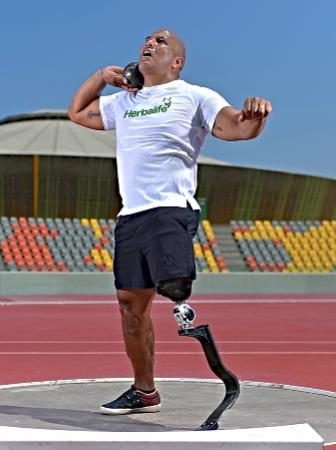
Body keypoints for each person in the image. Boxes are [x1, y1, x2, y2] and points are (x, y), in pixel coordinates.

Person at [68, 28, 271, 415]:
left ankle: (203, 343)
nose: (151, 42)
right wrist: (100, 77)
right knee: (130, 305)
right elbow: (77, 113)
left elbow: (237, 128)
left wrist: (256, 117)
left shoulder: (196, 96)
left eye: (161, 41)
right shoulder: (125, 101)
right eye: (147, 39)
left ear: (176, 61)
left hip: (170, 208)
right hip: (131, 215)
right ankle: (144, 392)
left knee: (175, 289)